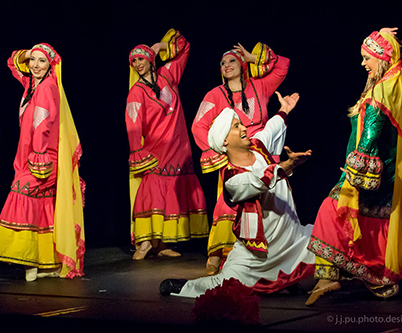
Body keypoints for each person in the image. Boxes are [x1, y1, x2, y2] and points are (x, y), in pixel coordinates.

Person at [305, 28, 402, 305]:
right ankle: (356, 277)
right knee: (368, 221)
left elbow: (372, 127)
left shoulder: (382, 88)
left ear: (381, 58)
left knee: (331, 211)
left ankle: (347, 277)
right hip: (382, 171)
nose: (363, 64)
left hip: (369, 170)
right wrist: (383, 35)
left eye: (366, 58)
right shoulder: (392, 81)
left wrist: (359, 162)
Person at [160, 91, 315, 297]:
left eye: (240, 124)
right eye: (236, 126)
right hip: (259, 253)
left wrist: (284, 109)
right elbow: (260, 181)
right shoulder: (232, 178)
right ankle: (184, 287)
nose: (244, 128)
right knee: (225, 286)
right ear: (225, 141)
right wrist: (286, 165)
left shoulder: (258, 146)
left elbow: (271, 128)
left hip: (292, 239)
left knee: (328, 239)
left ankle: (291, 281)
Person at [192, 41, 290, 274]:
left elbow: (283, 65)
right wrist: (219, 151)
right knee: (229, 204)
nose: (227, 65)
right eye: (223, 63)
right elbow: (198, 126)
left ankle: (268, 253)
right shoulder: (214, 95)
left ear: (242, 64)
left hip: (262, 154)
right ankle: (218, 251)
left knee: (269, 202)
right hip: (235, 156)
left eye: (232, 60)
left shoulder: (260, 86)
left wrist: (252, 57)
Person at [0, 43, 85, 281]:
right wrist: (28, 54)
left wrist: (39, 155)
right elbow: (13, 62)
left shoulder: (46, 88)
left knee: (22, 196)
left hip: (41, 156)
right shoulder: (33, 85)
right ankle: (47, 263)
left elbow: (42, 125)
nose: (34, 65)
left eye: (41, 61)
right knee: (43, 206)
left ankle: (30, 262)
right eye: (32, 60)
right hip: (27, 157)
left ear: (51, 65)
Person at [126, 29, 208, 260]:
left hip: (179, 146)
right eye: (134, 61)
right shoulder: (136, 92)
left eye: (141, 58)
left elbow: (184, 46)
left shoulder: (168, 75)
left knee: (172, 192)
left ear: (150, 59)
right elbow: (133, 123)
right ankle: (144, 243)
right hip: (156, 148)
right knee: (152, 192)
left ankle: (161, 245)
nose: (137, 63)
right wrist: (136, 150)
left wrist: (160, 46)